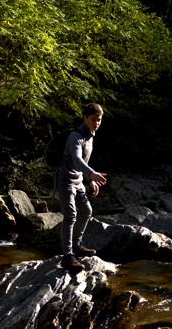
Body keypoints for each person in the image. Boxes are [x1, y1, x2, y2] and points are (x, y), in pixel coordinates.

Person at [57, 103, 108, 272]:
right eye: (93, 119)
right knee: (70, 215)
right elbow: (77, 159)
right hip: (65, 180)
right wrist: (92, 173)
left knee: (86, 211)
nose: (97, 123)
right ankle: (67, 256)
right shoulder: (76, 136)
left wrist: (89, 179)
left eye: (99, 120)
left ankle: (77, 245)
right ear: (85, 118)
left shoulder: (91, 135)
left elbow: (83, 163)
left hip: (78, 180)